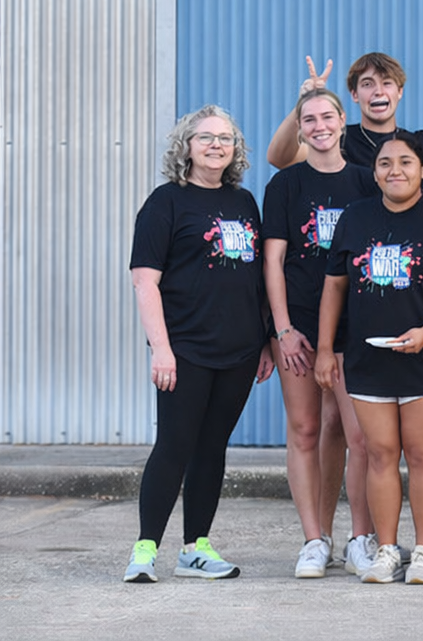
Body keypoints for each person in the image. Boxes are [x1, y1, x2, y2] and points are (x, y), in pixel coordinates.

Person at [315, 133, 423, 584]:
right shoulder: (355, 217)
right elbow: (334, 285)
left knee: (422, 453)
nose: (395, 171)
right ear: (375, 171)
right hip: (368, 358)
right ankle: (387, 550)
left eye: (406, 162)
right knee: (380, 454)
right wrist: (326, 348)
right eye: (385, 163)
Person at [124, 106, 274, 583]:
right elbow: (145, 283)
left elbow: (256, 281)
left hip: (240, 351)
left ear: (236, 149)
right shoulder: (165, 202)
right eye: (205, 137)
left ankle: (195, 548)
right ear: (185, 146)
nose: (216, 145)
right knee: (174, 446)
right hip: (185, 350)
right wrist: (161, 349)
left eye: (225, 138)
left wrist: (267, 341)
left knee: (212, 448)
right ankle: (145, 549)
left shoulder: (244, 203)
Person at [261, 88, 379, 578]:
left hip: (354, 328)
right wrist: (283, 329)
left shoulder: (365, 182)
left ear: (342, 121)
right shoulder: (286, 185)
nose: (318, 126)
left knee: (361, 437)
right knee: (306, 429)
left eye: (326, 116)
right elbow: (272, 261)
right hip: (299, 325)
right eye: (308, 119)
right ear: (300, 127)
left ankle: (360, 537)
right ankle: (314, 540)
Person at [265, 54, 423, 196]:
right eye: (368, 84)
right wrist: (305, 101)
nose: (378, 91)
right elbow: (279, 158)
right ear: (355, 94)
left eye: (387, 83)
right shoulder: (337, 140)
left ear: (400, 92)